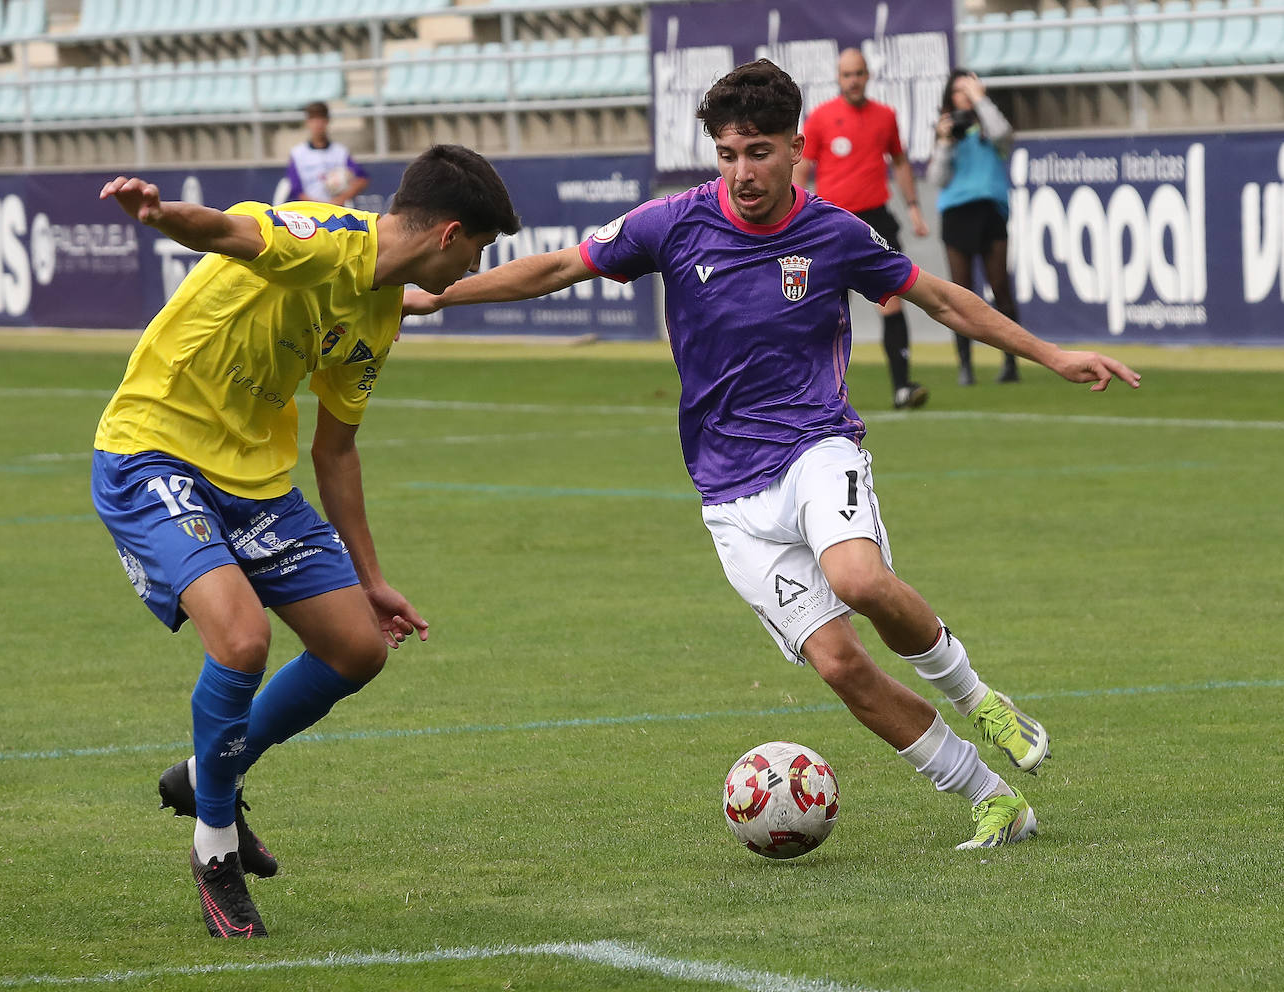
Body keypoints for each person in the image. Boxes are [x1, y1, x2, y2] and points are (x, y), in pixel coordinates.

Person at [403, 60, 1141, 851]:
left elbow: (939, 297)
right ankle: (992, 798)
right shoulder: (673, 224)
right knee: (840, 667)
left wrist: (1051, 354)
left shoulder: (835, 234)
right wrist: (443, 295)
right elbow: (553, 268)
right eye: (727, 155)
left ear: (795, 147)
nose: (742, 172)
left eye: (757, 152)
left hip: (815, 448)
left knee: (859, 577)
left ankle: (979, 697)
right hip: (728, 494)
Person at [92, 145, 520, 938]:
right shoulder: (324, 238)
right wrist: (160, 216)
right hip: (152, 449)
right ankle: (214, 846)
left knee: (358, 648)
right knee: (243, 639)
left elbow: (336, 450)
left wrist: (372, 577)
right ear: (451, 233)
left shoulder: (384, 307)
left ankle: (205, 776)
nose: (472, 266)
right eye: (478, 250)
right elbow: (231, 231)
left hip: (253, 479)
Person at [794, 48, 929, 411]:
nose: (853, 80)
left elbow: (899, 161)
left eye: (859, 73)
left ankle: (902, 386)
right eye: (847, 75)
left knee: (892, 300)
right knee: (823, 309)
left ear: (868, 76)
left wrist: (914, 208)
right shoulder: (821, 119)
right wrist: (794, 217)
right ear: (839, 79)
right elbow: (802, 170)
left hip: (876, 221)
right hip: (832, 222)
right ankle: (811, 396)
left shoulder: (885, 117)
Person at [933, 69, 1020, 386]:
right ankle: (965, 365)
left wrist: (981, 100)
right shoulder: (946, 128)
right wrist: (944, 143)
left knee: (1000, 286)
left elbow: (1004, 136)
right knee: (961, 291)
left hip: (990, 210)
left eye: (969, 89)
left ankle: (1011, 362)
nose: (964, 96)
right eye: (959, 90)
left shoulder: (988, 122)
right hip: (956, 212)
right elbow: (937, 179)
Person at [285, 100, 370, 206]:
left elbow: (362, 179)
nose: (318, 124)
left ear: (327, 121)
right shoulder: (298, 154)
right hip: (309, 212)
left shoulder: (340, 152)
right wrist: (319, 207)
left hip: (335, 211)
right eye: (313, 119)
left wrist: (341, 199)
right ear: (307, 122)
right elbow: (296, 190)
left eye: (321, 119)